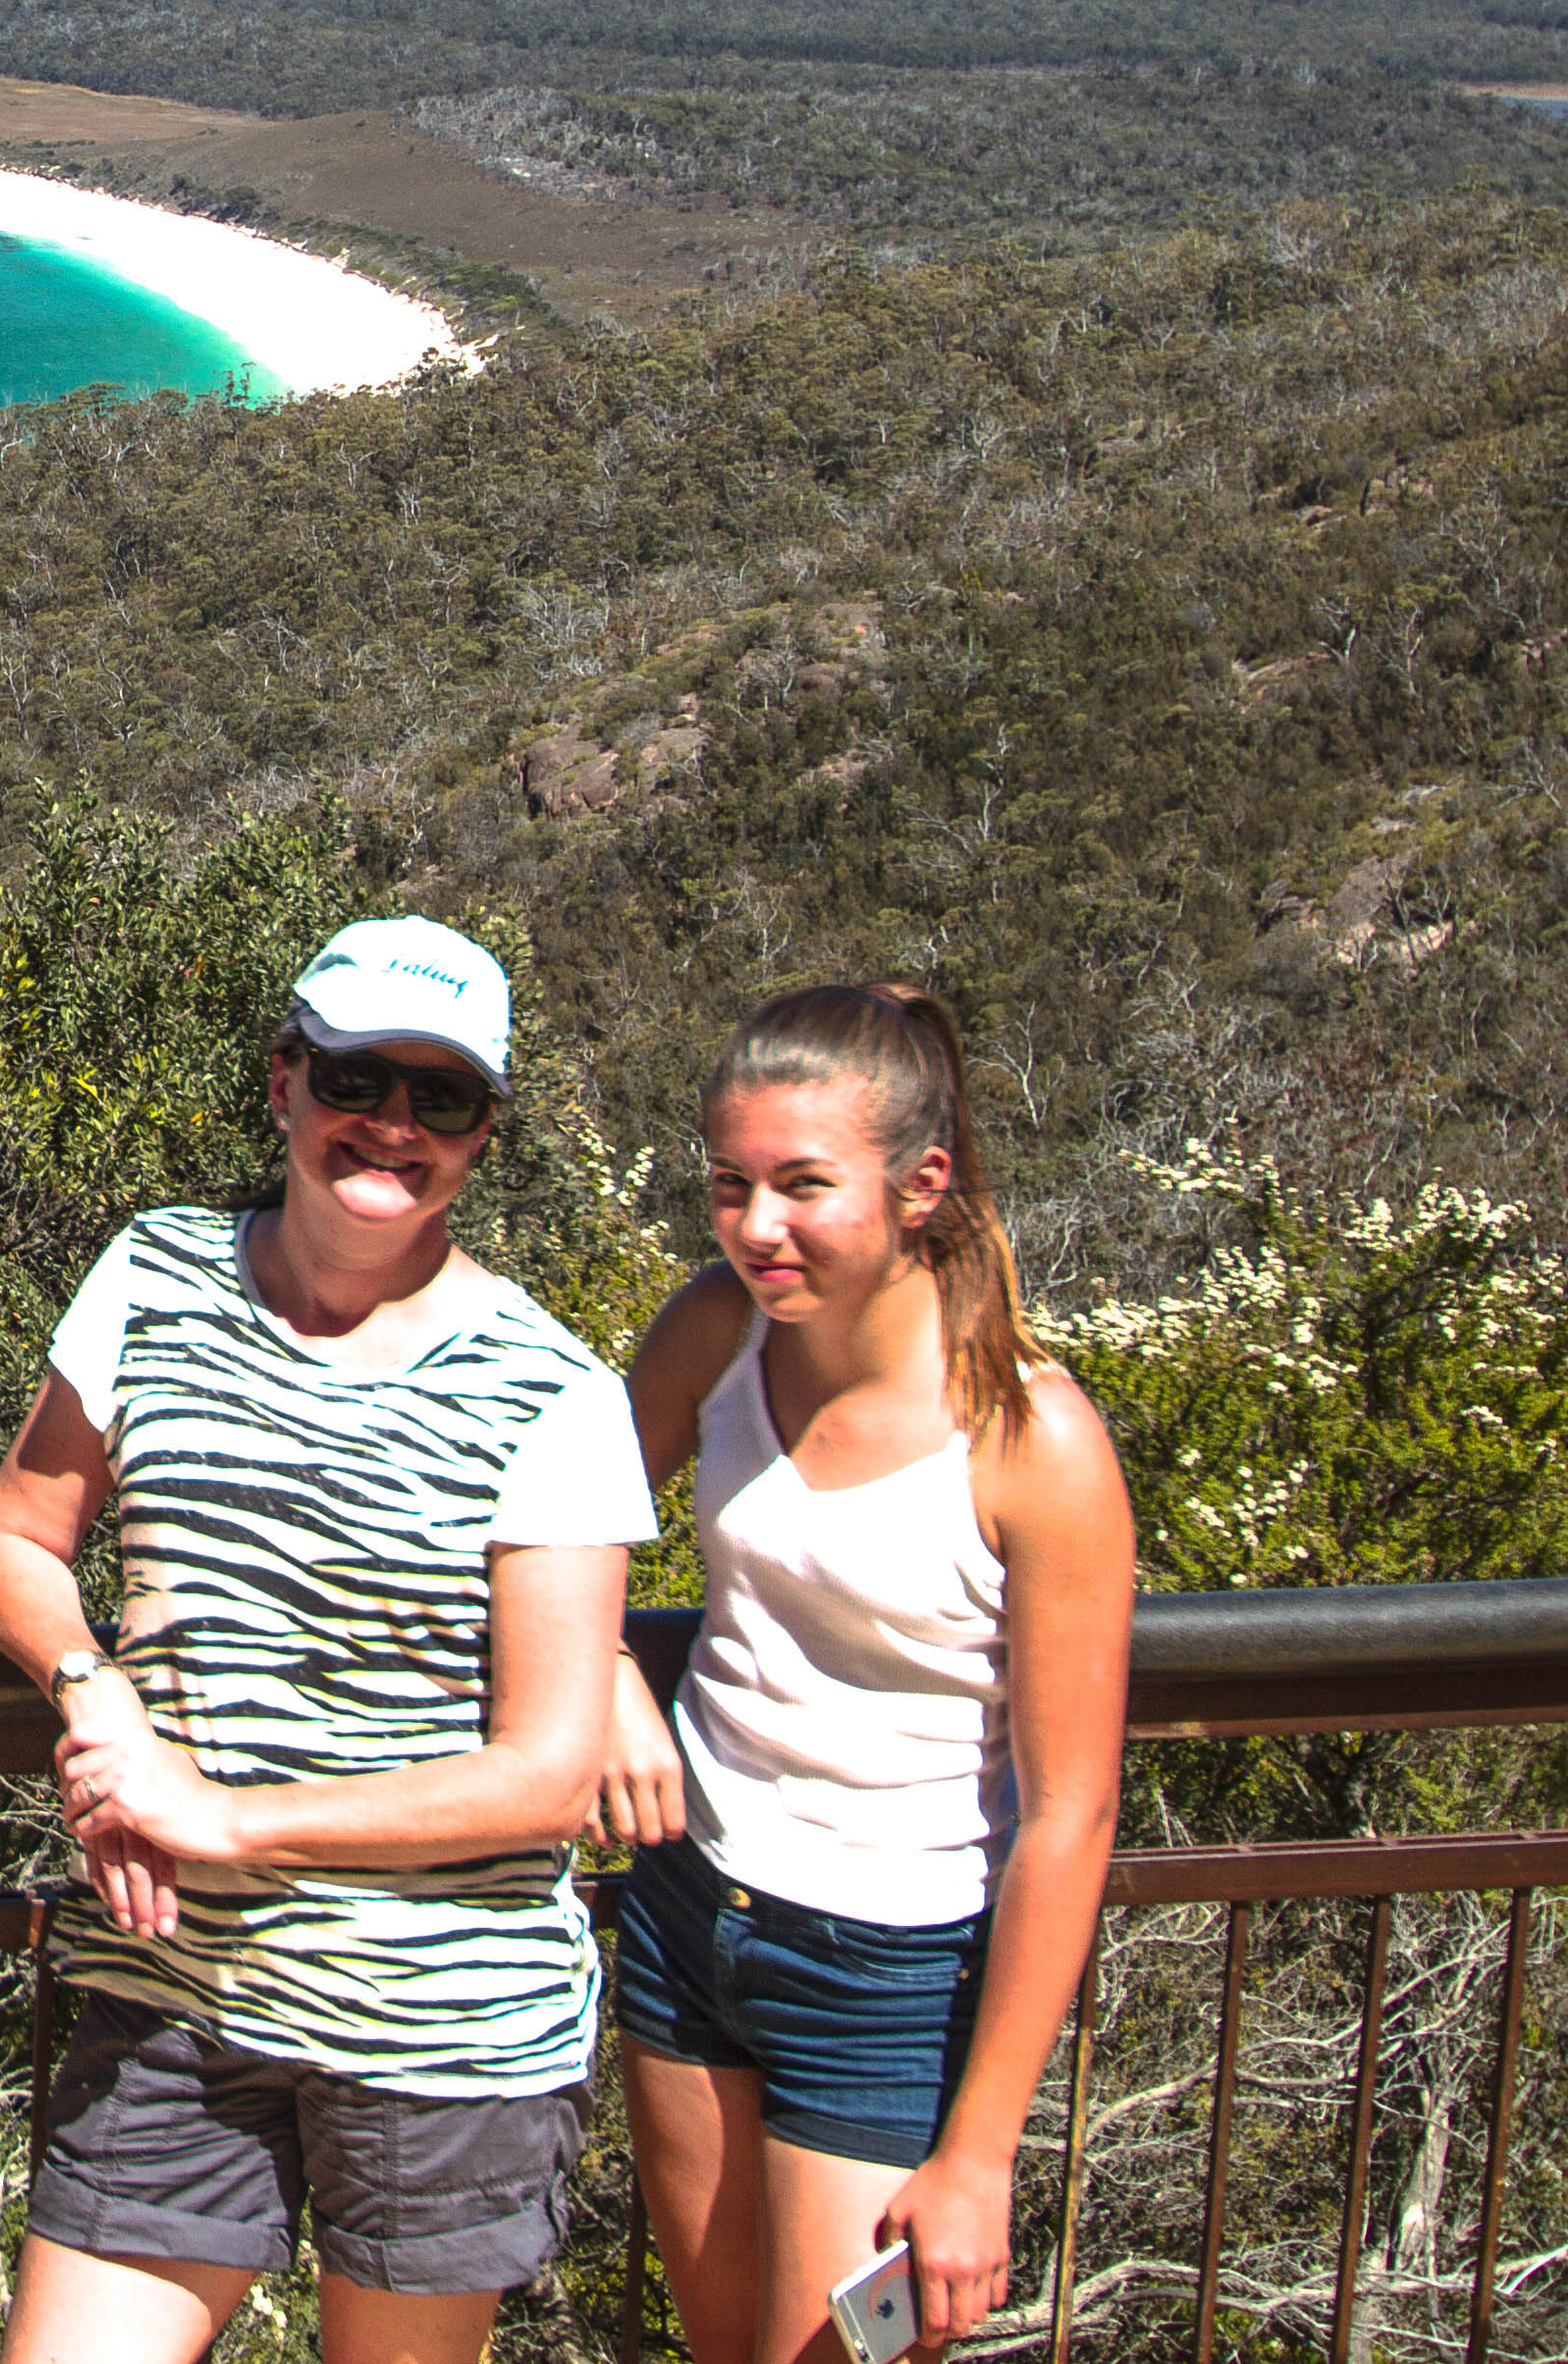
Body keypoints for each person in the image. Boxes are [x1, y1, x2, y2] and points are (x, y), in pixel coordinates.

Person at [0, 917, 650, 2364]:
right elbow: (18, 1533)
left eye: (440, 1098)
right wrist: (93, 1692)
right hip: (172, 1992)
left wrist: (222, 1824)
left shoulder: (553, 1395)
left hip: (440, 2026)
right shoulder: (154, 1275)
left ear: (482, 1134)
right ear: (284, 1082)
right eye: (355, 1079)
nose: (390, 1126)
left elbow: (542, 1776)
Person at [597, 983, 1137, 2364]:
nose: (755, 1227)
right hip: (682, 1907)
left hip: (887, 1972)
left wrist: (981, 2153)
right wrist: (603, 1676)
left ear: (920, 1184)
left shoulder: (1031, 1440)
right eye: (730, 1185)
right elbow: (564, 1525)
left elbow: (1069, 1815)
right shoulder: (718, 1333)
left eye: (800, 1186)